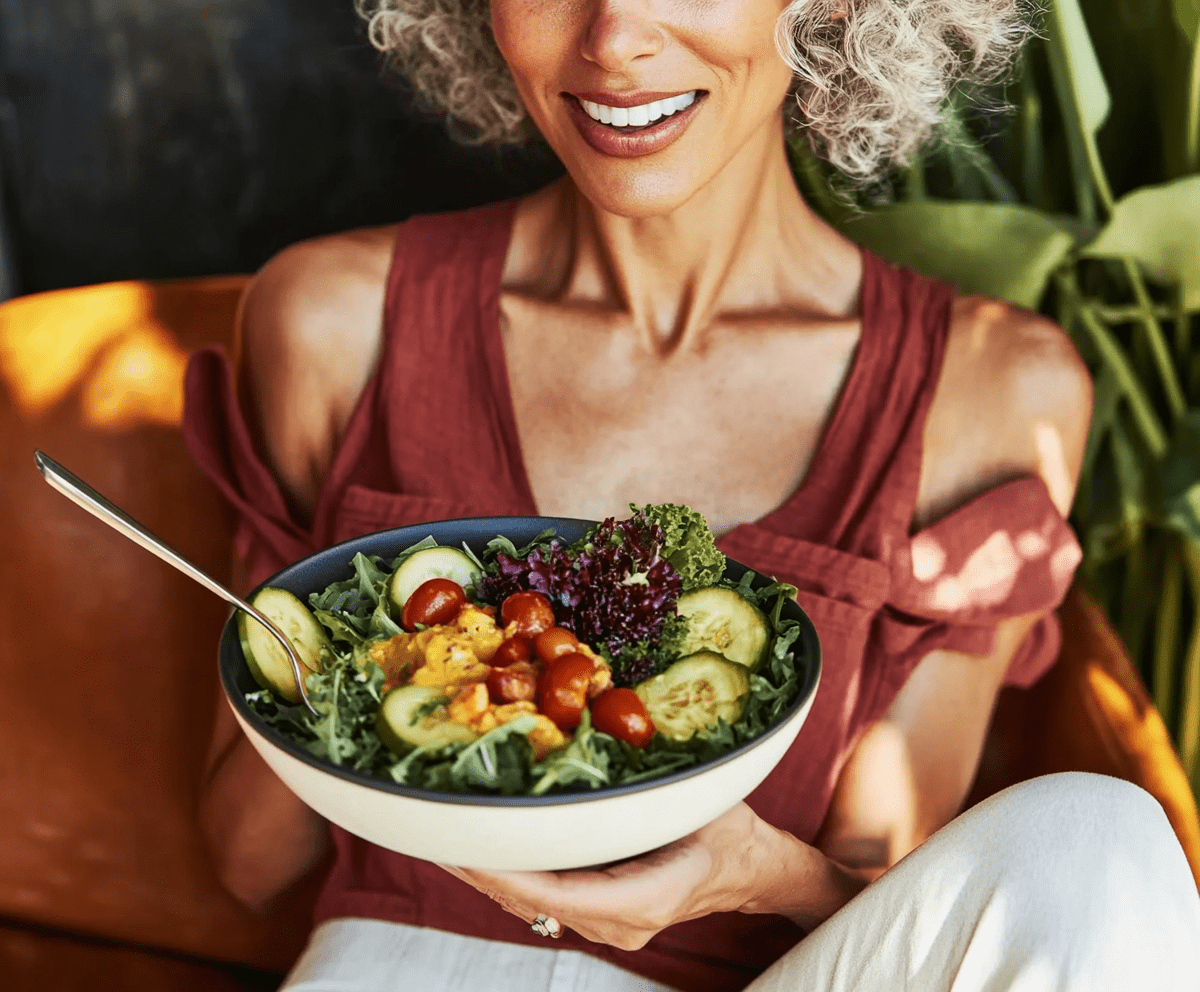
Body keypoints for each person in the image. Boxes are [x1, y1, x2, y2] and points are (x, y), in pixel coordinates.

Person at [182, 0, 1200, 989]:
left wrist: (758, 873)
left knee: (1099, 839)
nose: (616, 36)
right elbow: (247, 860)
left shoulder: (989, 392)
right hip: (391, 967)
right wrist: (374, 656)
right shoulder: (337, 322)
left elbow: (894, 892)